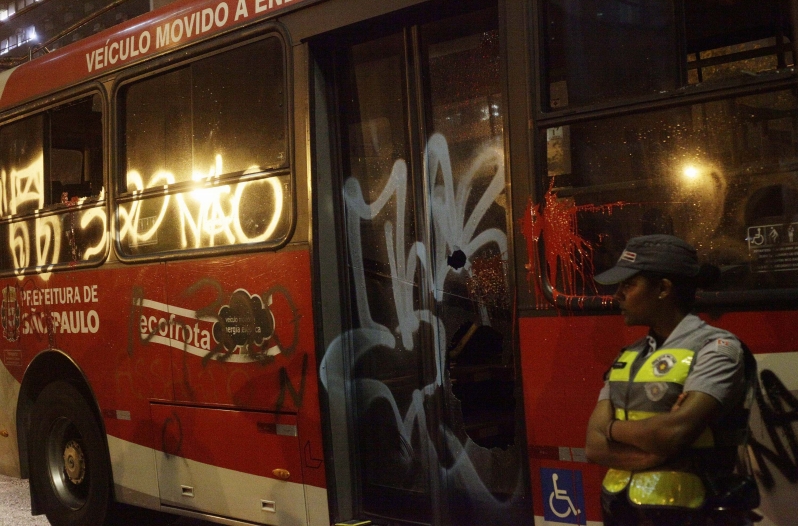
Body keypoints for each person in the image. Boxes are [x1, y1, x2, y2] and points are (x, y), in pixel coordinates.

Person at [584, 234, 757, 526]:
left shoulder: (715, 348)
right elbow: (593, 446)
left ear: (663, 289)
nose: (618, 295)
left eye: (629, 284)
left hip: (692, 513)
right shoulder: (629, 355)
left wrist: (611, 428)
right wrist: (654, 452)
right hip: (621, 512)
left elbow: (671, 433)